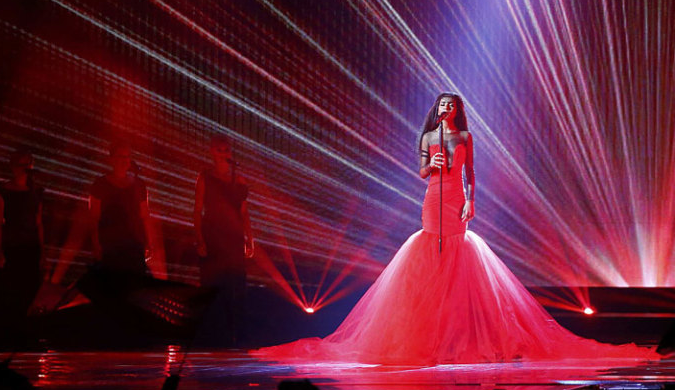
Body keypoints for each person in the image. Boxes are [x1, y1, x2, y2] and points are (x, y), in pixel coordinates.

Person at [258, 93, 654, 365]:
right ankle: (427, 335)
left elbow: (472, 172)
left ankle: (461, 335)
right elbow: (420, 171)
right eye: (442, 104)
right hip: (433, 197)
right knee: (430, 254)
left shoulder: (465, 136)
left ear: (457, 111)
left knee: (460, 257)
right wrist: (429, 166)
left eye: (451, 105)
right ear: (437, 109)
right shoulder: (429, 136)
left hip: (456, 197)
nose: (446, 108)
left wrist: (471, 200)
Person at [194, 134, 254, 345]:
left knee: (236, 286)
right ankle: (213, 336)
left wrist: (249, 238)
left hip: (233, 238)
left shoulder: (239, 180)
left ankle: (237, 336)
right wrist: (200, 238)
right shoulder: (205, 177)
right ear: (212, 152)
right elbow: (198, 210)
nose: (223, 154)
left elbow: (244, 212)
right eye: (219, 150)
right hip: (213, 236)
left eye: (226, 150)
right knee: (213, 284)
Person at [0, 148, 46, 319]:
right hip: (12, 248)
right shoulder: (4, 191)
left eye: (25, 165)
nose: (22, 169)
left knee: (29, 289)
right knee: (10, 291)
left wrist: (42, 252)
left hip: (30, 248)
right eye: (19, 165)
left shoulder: (36, 192)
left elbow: (39, 223)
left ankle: (23, 323)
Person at [89, 141, 154, 276]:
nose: (124, 160)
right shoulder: (100, 184)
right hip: (110, 245)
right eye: (120, 156)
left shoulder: (139, 185)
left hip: (134, 245)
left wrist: (149, 242)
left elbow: (145, 215)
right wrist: (95, 243)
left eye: (127, 156)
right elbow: (94, 217)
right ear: (111, 159)